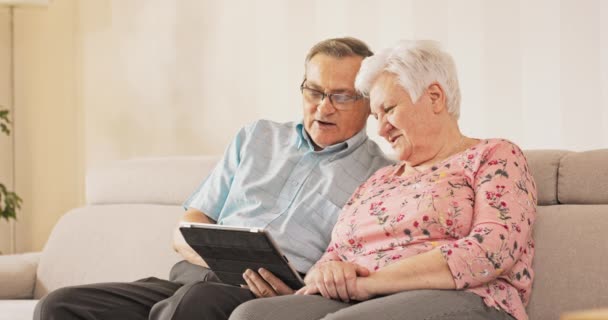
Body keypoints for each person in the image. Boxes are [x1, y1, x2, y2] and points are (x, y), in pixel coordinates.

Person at [34, 37, 393, 320]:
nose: (323, 106)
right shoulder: (258, 137)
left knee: (195, 302)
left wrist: (298, 295)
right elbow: (188, 224)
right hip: (194, 274)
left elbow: (360, 267)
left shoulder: (380, 174)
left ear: (367, 100)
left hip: (265, 293)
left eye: (341, 96)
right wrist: (218, 259)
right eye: (314, 91)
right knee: (60, 306)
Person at [229, 40, 537, 320]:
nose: (381, 129)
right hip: (359, 301)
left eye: (388, 110)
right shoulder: (379, 179)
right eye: (376, 117)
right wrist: (326, 274)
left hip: (467, 300)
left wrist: (371, 283)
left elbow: (492, 249)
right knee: (253, 316)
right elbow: (332, 255)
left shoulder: (493, 155)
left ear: (434, 97)